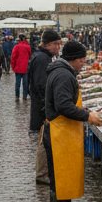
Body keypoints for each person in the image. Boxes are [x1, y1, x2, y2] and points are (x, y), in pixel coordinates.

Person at [43, 39, 102, 202]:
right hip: (59, 134)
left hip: (62, 132)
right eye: (82, 60)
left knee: (64, 176)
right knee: (59, 177)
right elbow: (63, 105)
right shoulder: (63, 75)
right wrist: (87, 116)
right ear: (73, 59)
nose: (84, 63)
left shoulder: (62, 71)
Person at [29, 28, 61, 184]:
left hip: (41, 106)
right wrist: (48, 107)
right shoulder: (43, 59)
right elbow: (42, 85)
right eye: (56, 44)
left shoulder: (41, 56)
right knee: (44, 141)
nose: (58, 47)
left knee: (44, 140)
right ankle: (42, 174)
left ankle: (43, 172)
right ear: (48, 44)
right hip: (42, 108)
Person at [11, 33, 32, 99]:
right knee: (25, 84)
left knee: (17, 84)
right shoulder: (28, 46)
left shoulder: (16, 46)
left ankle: (17, 96)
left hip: (18, 68)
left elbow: (13, 58)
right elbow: (30, 56)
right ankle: (24, 96)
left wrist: (13, 67)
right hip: (25, 68)